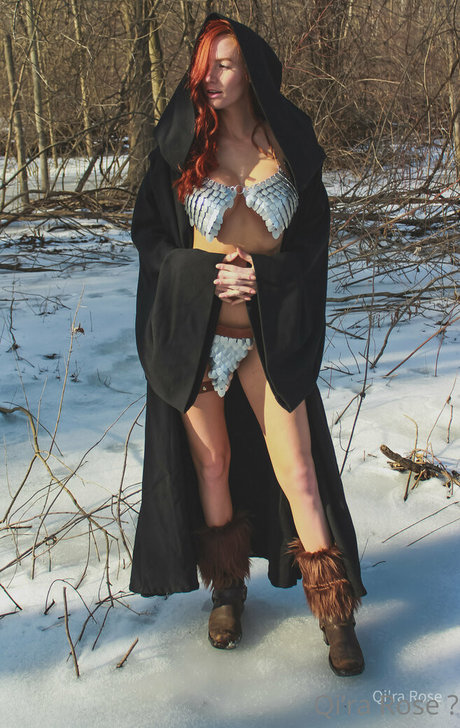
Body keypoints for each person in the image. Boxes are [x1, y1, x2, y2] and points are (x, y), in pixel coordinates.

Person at [129, 13, 366, 676]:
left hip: (265, 340)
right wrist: (203, 274)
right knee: (213, 465)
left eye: (227, 64)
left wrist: (264, 275)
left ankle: (337, 614)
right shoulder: (180, 147)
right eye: (205, 65)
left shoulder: (288, 146)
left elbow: (311, 243)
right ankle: (228, 593)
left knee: (299, 473)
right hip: (198, 338)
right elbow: (150, 238)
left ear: (252, 72)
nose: (212, 77)